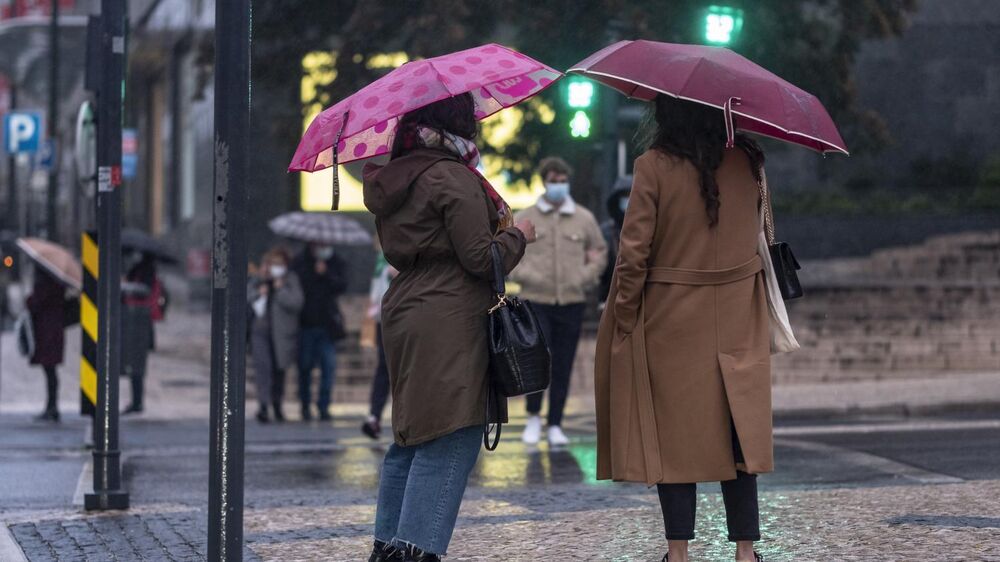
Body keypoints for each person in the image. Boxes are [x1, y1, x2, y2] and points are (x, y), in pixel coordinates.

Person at [594, 95, 773, 562]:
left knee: (674, 441)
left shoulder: (653, 166)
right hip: (739, 316)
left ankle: (678, 553)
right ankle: (746, 553)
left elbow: (632, 254)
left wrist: (625, 316)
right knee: (739, 434)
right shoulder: (748, 163)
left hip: (669, 321)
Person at [362, 93, 535, 562]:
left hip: (407, 306)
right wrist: (520, 235)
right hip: (450, 312)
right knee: (452, 431)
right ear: (456, 121)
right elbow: (481, 258)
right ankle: (418, 552)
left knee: (411, 435)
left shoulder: (397, 175)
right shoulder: (451, 176)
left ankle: (388, 549)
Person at [510, 156, 607, 446]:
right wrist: (528, 276)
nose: (559, 186)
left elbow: (599, 252)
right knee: (538, 359)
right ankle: (532, 416)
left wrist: (583, 277)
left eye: (563, 181)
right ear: (544, 182)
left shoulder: (583, 218)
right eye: (554, 181)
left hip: (571, 301)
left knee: (564, 362)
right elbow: (510, 254)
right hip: (535, 301)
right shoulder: (527, 217)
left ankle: (555, 423)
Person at [292, 241, 348, 421]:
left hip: (327, 325)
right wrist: (313, 271)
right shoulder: (301, 261)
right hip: (306, 323)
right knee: (305, 367)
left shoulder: (336, 261)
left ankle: (323, 406)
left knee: (328, 366)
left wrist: (326, 273)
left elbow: (342, 285)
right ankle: (305, 405)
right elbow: (297, 286)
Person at [248, 248, 304, 423]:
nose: (276, 267)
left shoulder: (290, 280)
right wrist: (260, 290)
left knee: (279, 370)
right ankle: (263, 406)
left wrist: (280, 290)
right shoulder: (259, 279)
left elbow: (297, 302)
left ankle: (277, 404)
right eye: (273, 263)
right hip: (260, 332)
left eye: (280, 264)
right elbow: (247, 296)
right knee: (263, 368)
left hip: (282, 334)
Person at [26, 269, 75, 422]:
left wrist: (28, 300)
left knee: (49, 370)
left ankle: (52, 407)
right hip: (54, 329)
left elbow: (36, 303)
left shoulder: (46, 281)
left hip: (46, 330)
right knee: (50, 370)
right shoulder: (58, 281)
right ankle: (52, 406)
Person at [122, 252, 167, 414]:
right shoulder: (145, 272)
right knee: (136, 365)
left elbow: (141, 291)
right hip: (140, 323)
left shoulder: (144, 274)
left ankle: (137, 402)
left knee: (136, 365)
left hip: (136, 322)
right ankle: (137, 401)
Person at [361, 252, 397, 440]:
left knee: (396, 368)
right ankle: (374, 416)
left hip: (403, 315)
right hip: (385, 317)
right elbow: (376, 290)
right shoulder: (382, 260)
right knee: (384, 367)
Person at [599, 175, 633, 304]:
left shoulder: (651, 231)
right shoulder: (605, 232)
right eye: (625, 195)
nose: (628, 199)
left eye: (632, 195)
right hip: (609, 298)